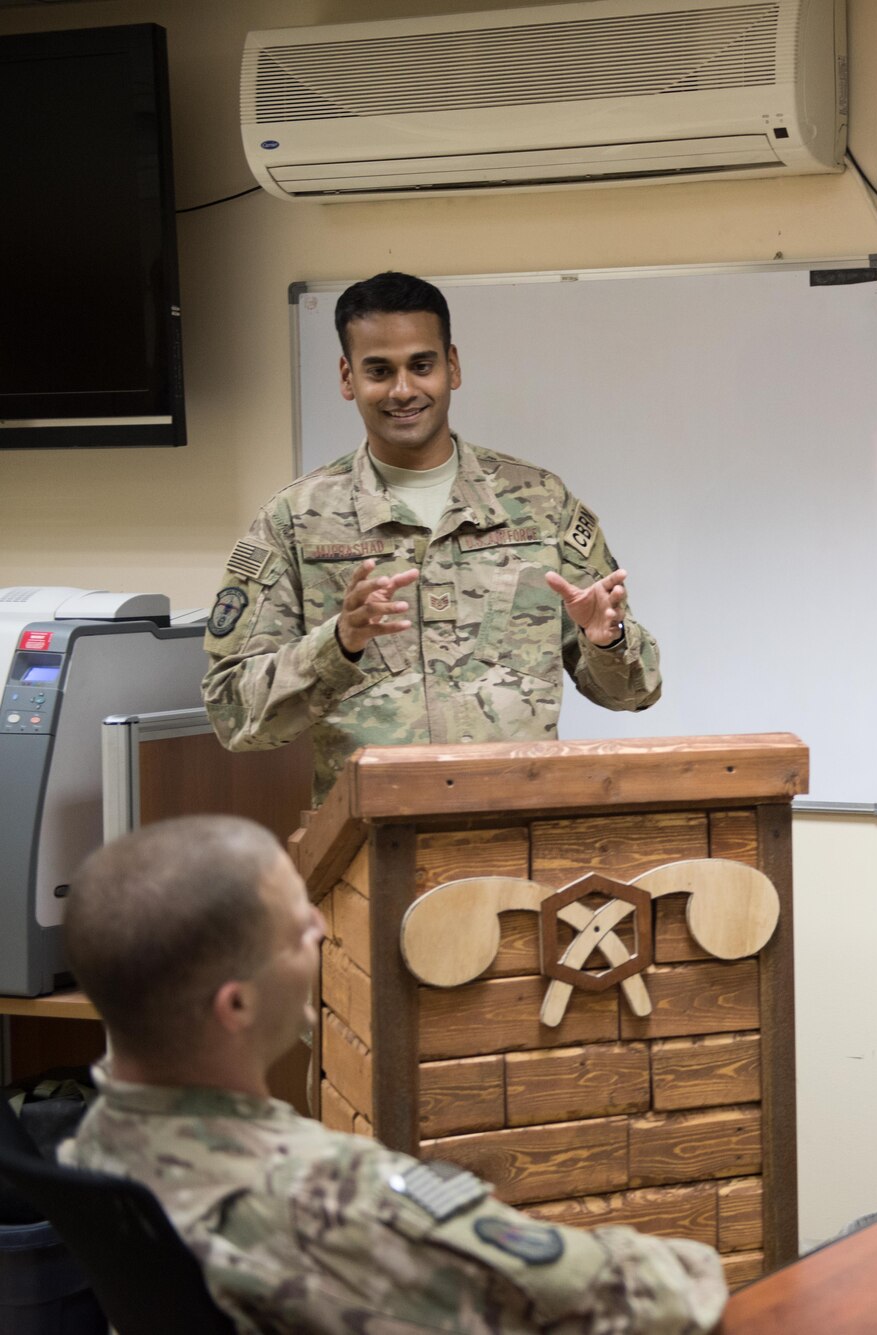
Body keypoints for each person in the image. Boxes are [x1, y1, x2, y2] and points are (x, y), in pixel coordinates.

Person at [61, 815, 726, 1333]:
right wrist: (700, 1260)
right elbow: (638, 1301)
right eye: (297, 931)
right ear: (235, 1004)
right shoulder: (334, 1197)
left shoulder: (94, 1140)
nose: (321, 928)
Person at [203, 271, 661, 803]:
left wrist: (606, 641)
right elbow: (233, 715)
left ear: (453, 367)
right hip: (372, 844)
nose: (403, 390)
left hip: (519, 835)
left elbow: (637, 692)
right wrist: (338, 644)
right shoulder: (295, 522)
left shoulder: (540, 503)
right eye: (380, 370)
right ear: (348, 377)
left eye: (421, 365)